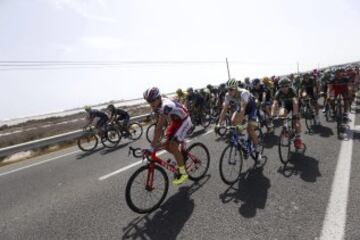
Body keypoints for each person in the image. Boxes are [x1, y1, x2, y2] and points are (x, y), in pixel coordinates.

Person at [143, 87, 193, 185]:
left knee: (173, 145)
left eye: (152, 100)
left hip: (184, 121)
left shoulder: (165, 106)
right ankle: (180, 157)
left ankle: (183, 173)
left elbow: (159, 127)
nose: (151, 103)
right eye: (149, 101)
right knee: (166, 145)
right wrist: (156, 143)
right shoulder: (158, 105)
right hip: (175, 121)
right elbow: (160, 127)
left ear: (158, 98)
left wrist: (152, 146)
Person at [216, 79, 263, 163]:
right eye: (228, 89)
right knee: (233, 122)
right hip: (241, 107)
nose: (229, 91)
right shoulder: (227, 95)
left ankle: (257, 150)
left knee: (249, 128)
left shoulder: (243, 93)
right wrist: (219, 124)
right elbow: (224, 109)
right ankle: (242, 143)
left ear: (236, 88)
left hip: (251, 107)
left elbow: (242, 109)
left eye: (231, 89)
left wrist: (241, 125)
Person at [271, 77, 305, 150]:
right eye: (282, 86)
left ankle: (298, 139)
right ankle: (286, 129)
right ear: (279, 87)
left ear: (289, 85)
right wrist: (272, 114)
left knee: (296, 121)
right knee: (281, 115)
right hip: (285, 105)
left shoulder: (292, 90)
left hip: (294, 105)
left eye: (286, 86)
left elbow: (295, 102)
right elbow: (275, 103)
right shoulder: (278, 92)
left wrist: (295, 114)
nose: (284, 88)